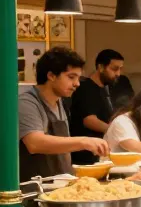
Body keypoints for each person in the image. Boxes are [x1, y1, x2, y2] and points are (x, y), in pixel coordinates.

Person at [20, 47, 107, 180]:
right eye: (71, 77)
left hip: (60, 185)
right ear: (51, 76)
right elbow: (35, 143)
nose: (77, 84)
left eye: (78, 78)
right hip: (35, 190)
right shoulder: (27, 103)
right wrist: (84, 141)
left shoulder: (61, 102)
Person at [68, 49, 124, 165]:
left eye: (120, 69)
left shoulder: (107, 89)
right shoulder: (85, 88)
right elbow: (89, 120)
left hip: (99, 152)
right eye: (114, 69)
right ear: (101, 67)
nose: (118, 73)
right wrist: (116, 131)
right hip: (85, 156)